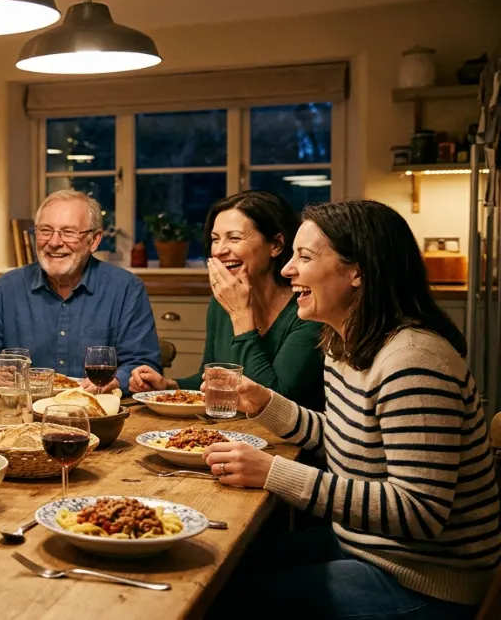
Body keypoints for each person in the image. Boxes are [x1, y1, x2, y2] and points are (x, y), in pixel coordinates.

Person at [202, 201, 499, 620]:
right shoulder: (344, 343)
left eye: (304, 258)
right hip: (364, 544)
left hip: (423, 578)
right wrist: (266, 403)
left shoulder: (413, 359)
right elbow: (346, 437)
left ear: (357, 272)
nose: (288, 270)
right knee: (220, 563)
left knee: (225, 601)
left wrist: (274, 472)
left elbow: (419, 512)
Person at [129, 190, 324, 411]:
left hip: (287, 442)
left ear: (276, 245)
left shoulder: (308, 308)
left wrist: (241, 316)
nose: (220, 250)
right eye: (215, 239)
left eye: (234, 238)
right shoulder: (221, 302)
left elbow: (273, 401)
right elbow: (213, 378)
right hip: (233, 432)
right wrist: (170, 385)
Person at [0, 189, 159, 393]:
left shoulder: (126, 289)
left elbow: (143, 364)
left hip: (97, 411)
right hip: (22, 413)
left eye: (68, 232)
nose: (54, 242)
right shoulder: (5, 288)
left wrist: (117, 381)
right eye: (45, 230)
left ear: (95, 240)